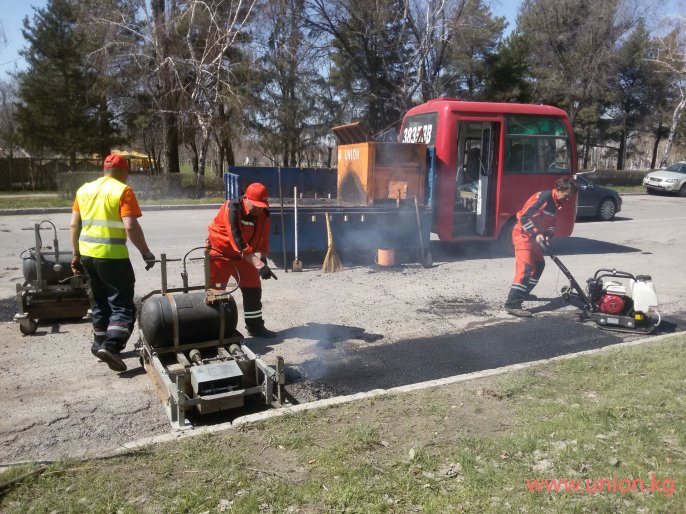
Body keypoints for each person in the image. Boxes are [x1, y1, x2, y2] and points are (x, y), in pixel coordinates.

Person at [70, 154, 156, 372]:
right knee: (122, 304)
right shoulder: (122, 191)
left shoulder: (84, 190)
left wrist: (76, 254)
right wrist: (145, 251)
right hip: (112, 257)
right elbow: (130, 225)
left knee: (100, 301)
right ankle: (111, 346)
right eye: (127, 173)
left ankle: (98, 344)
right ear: (122, 171)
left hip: (88, 255)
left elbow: (74, 225)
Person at [207, 182, 278, 338]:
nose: (259, 209)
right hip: (220, 254)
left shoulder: (263, 214)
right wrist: (258, 265)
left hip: (245, 258)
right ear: (246, 198)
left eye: (262, 205)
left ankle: (255, 327)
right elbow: (237, 242)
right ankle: (215, 332)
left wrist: (263, 258)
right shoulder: (231, 208)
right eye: (256, 205)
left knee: (253, 288)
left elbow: (263, 238)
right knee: (215, 294)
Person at [504, 176, 578, 318]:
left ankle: (524, 292)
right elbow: (524, 217)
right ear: (559, 189)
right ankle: (512, 304)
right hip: (523, 235)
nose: (567, 199)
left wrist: (547, 236)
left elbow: (550, 223)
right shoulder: (543, 198)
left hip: (534, 238)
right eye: (567, 196)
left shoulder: (556, 202)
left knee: (539, 265)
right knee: (525, 268)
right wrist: (536, 234)